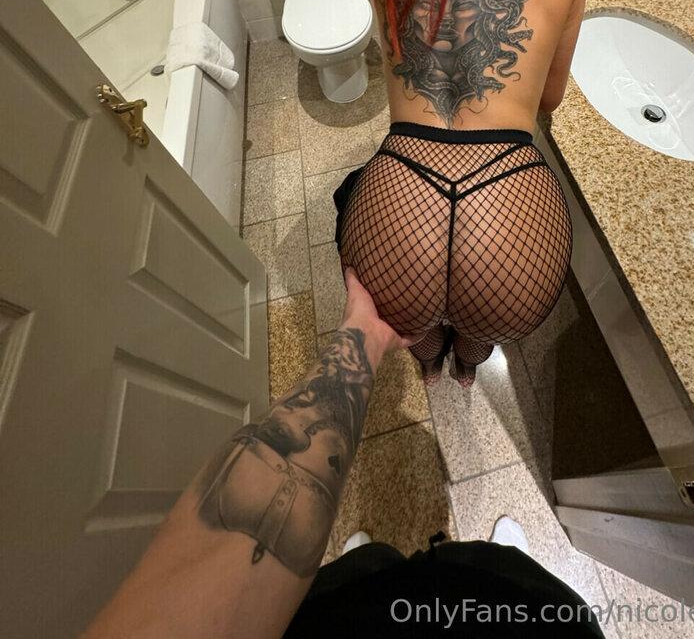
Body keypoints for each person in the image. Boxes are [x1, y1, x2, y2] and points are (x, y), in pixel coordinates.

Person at [85, 270, 604, 638]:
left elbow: (209, 574)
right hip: (504, 618)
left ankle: (373, 562)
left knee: (368, 568)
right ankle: (497, 563)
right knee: (505, 581)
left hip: (349, 613)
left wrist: (365, 333)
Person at [334, 0, 591, 385]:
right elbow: (550, 98)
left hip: (401, 195)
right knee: (484, 324)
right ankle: (469, 366)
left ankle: (427, 361)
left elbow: (397, 58)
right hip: (508, 198)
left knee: (411, 322)